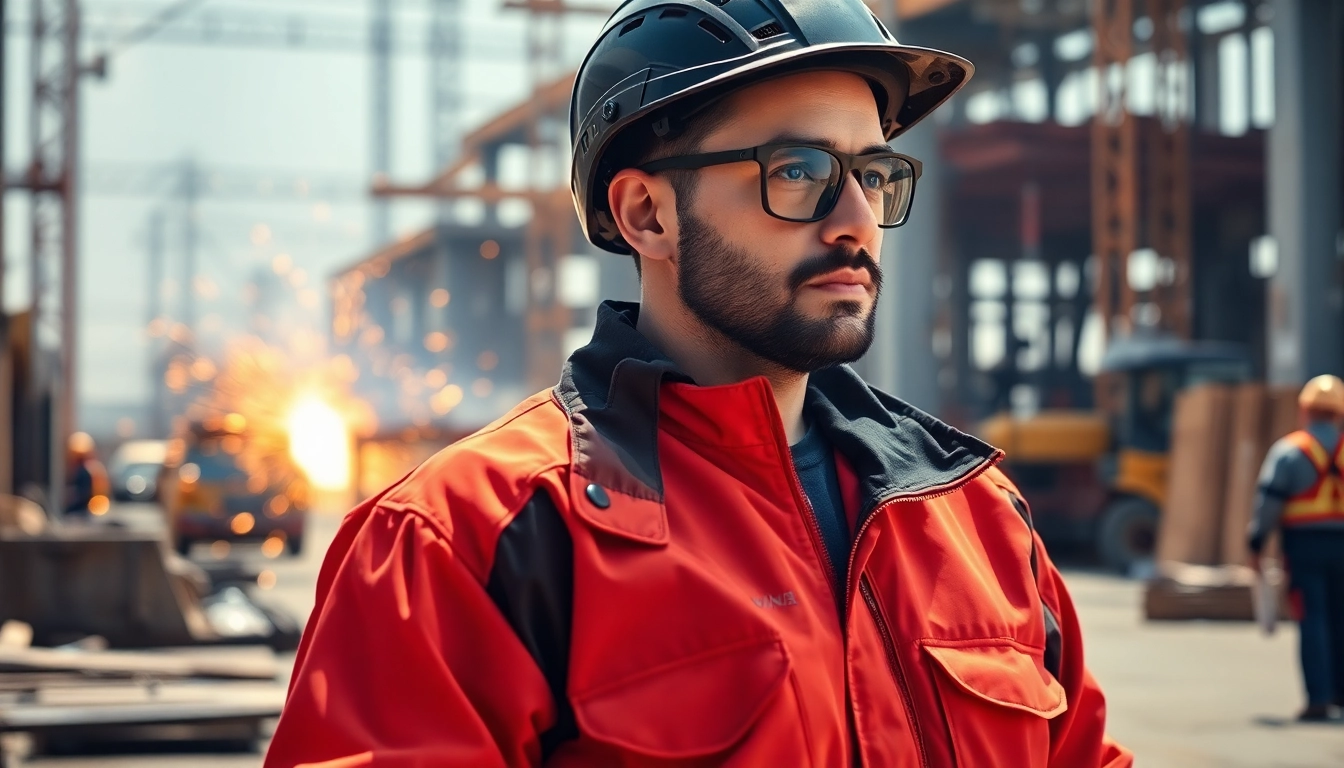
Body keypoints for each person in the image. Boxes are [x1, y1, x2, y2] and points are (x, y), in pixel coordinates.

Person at [266, 2, 1131, 765]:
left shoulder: (974, 514)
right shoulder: (471, 539)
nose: (858, 220)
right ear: (648, 214)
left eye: (872, 174)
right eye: (799, 171)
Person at [1248, 374, 1344, 722]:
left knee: (1313, 617)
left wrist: (1256, 543)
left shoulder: (1290, 452)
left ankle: (1318, 698)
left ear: (1305, 410)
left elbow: (1268, 502)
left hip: (1305, 547)